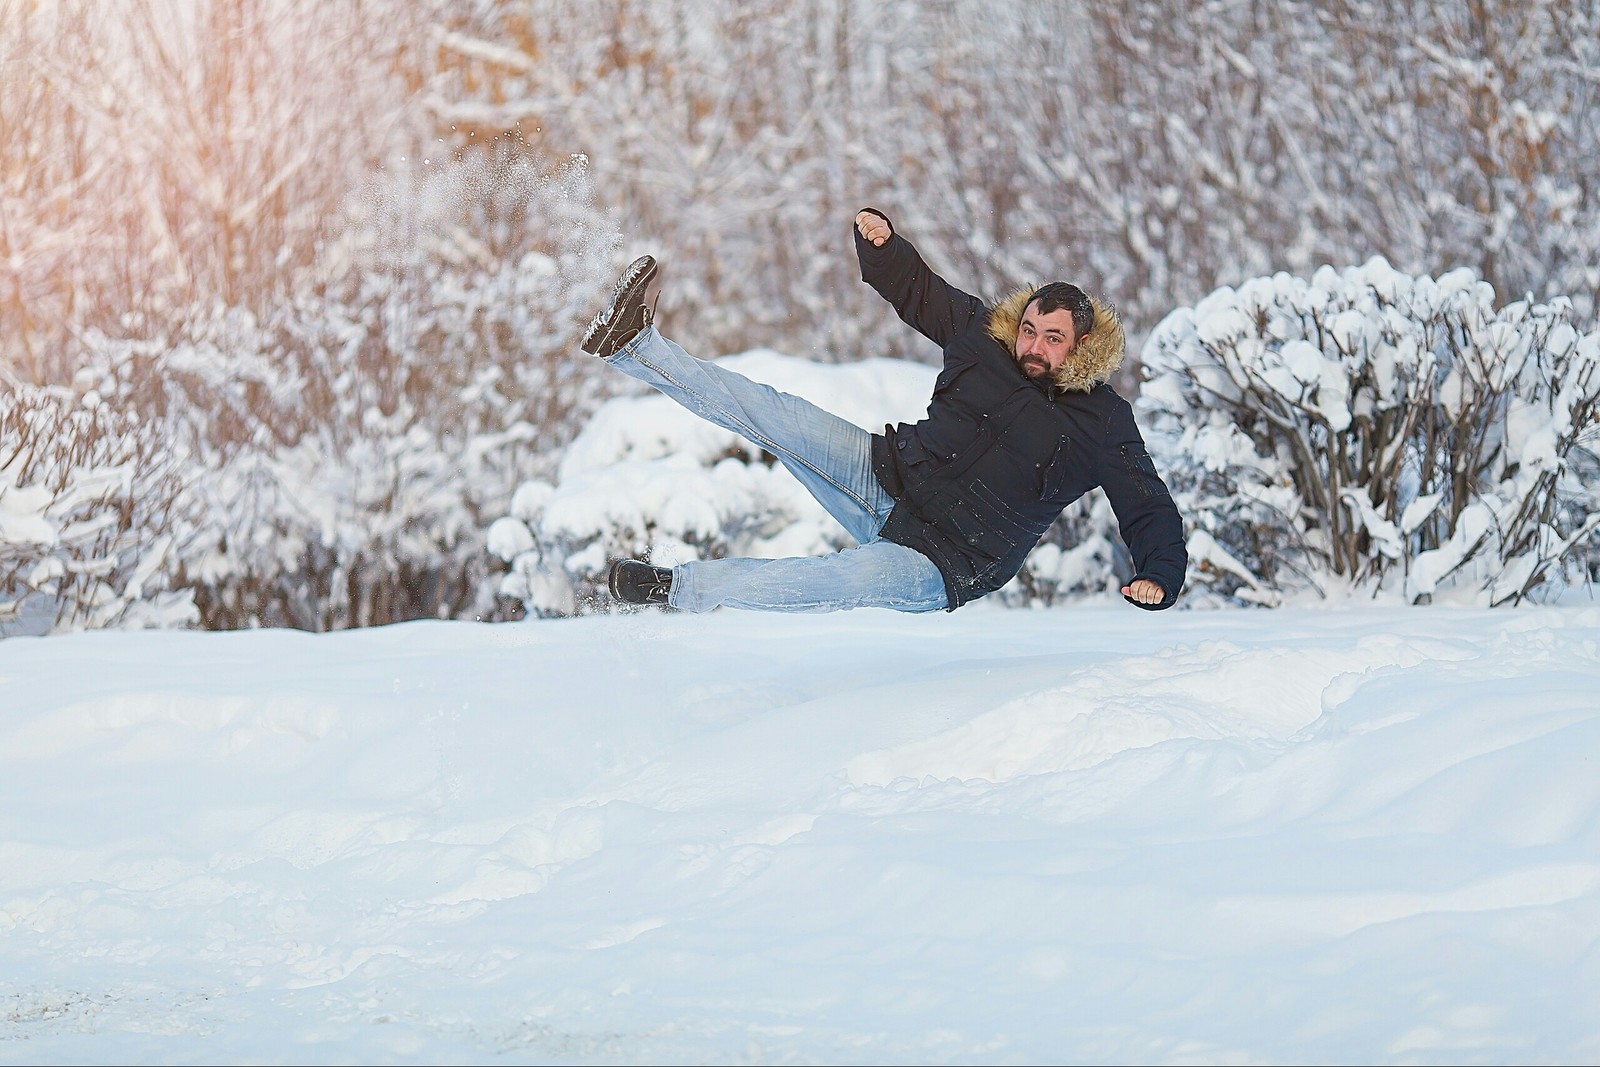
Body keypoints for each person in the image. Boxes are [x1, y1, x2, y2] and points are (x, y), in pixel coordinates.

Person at [582, 207, 1187, 614]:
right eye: (1028, 330)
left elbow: (1147, 504)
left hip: (943, 562)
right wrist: (885, 249)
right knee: (772, 412)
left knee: (832, 581)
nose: (1032, 346)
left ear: (1081, 343)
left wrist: (1160, 572)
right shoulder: (984, 337)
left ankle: (672, 590)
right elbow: (920, 292)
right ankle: (634, 346)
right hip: (885, 474)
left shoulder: (1103, 422)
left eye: (1051, 338)